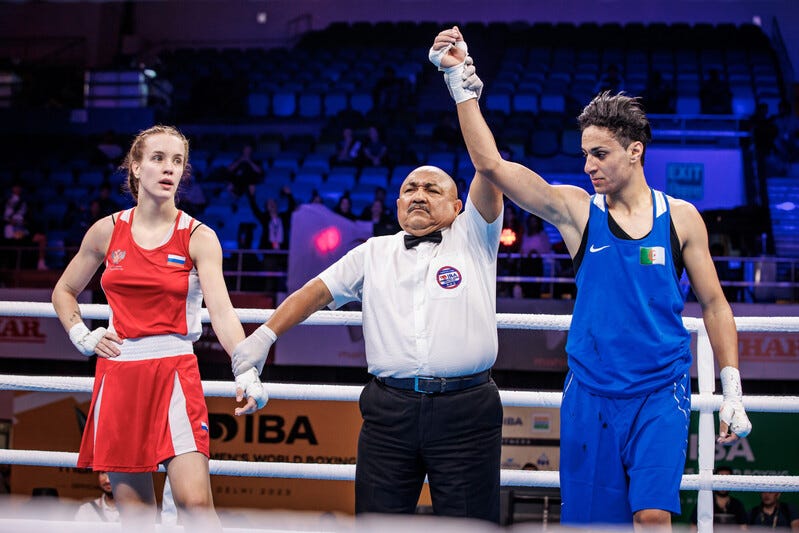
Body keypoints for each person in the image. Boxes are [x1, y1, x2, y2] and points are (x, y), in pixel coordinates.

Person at [430, 26, 752, 528]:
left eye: (599, 154)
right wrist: (460, 85)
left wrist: (731, 388)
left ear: (635, 151)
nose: (588, 166)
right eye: (584, 154)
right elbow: (490, 165)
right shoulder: (577, 211)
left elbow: (714, 304)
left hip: (660, 391)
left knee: (652, 517)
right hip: (591, 394)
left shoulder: (682, 218)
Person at [231, 163, 505, 523]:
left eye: (432, 189)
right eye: (410, 189)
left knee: (468, 526)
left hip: (466, 410)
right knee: (377, 522)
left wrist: (472, 123)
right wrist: (264, 337)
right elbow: (314, 292)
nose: (419, 195)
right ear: (397, 204)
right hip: (390, 412)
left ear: (457, 208)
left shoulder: (475, 238)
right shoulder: (373, 252)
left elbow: (488, 167)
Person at [51, 125, 267, 529]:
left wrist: (246, 369)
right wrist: (82, 333)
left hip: (174, 372)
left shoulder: (198, 236)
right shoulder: (105, 231)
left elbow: (222, 312)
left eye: (177, 161)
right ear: (135, 167)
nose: (169, 168)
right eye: (158, 158)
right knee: (136, 516)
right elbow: (64, 290)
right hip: (118, 372)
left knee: (195, 504)